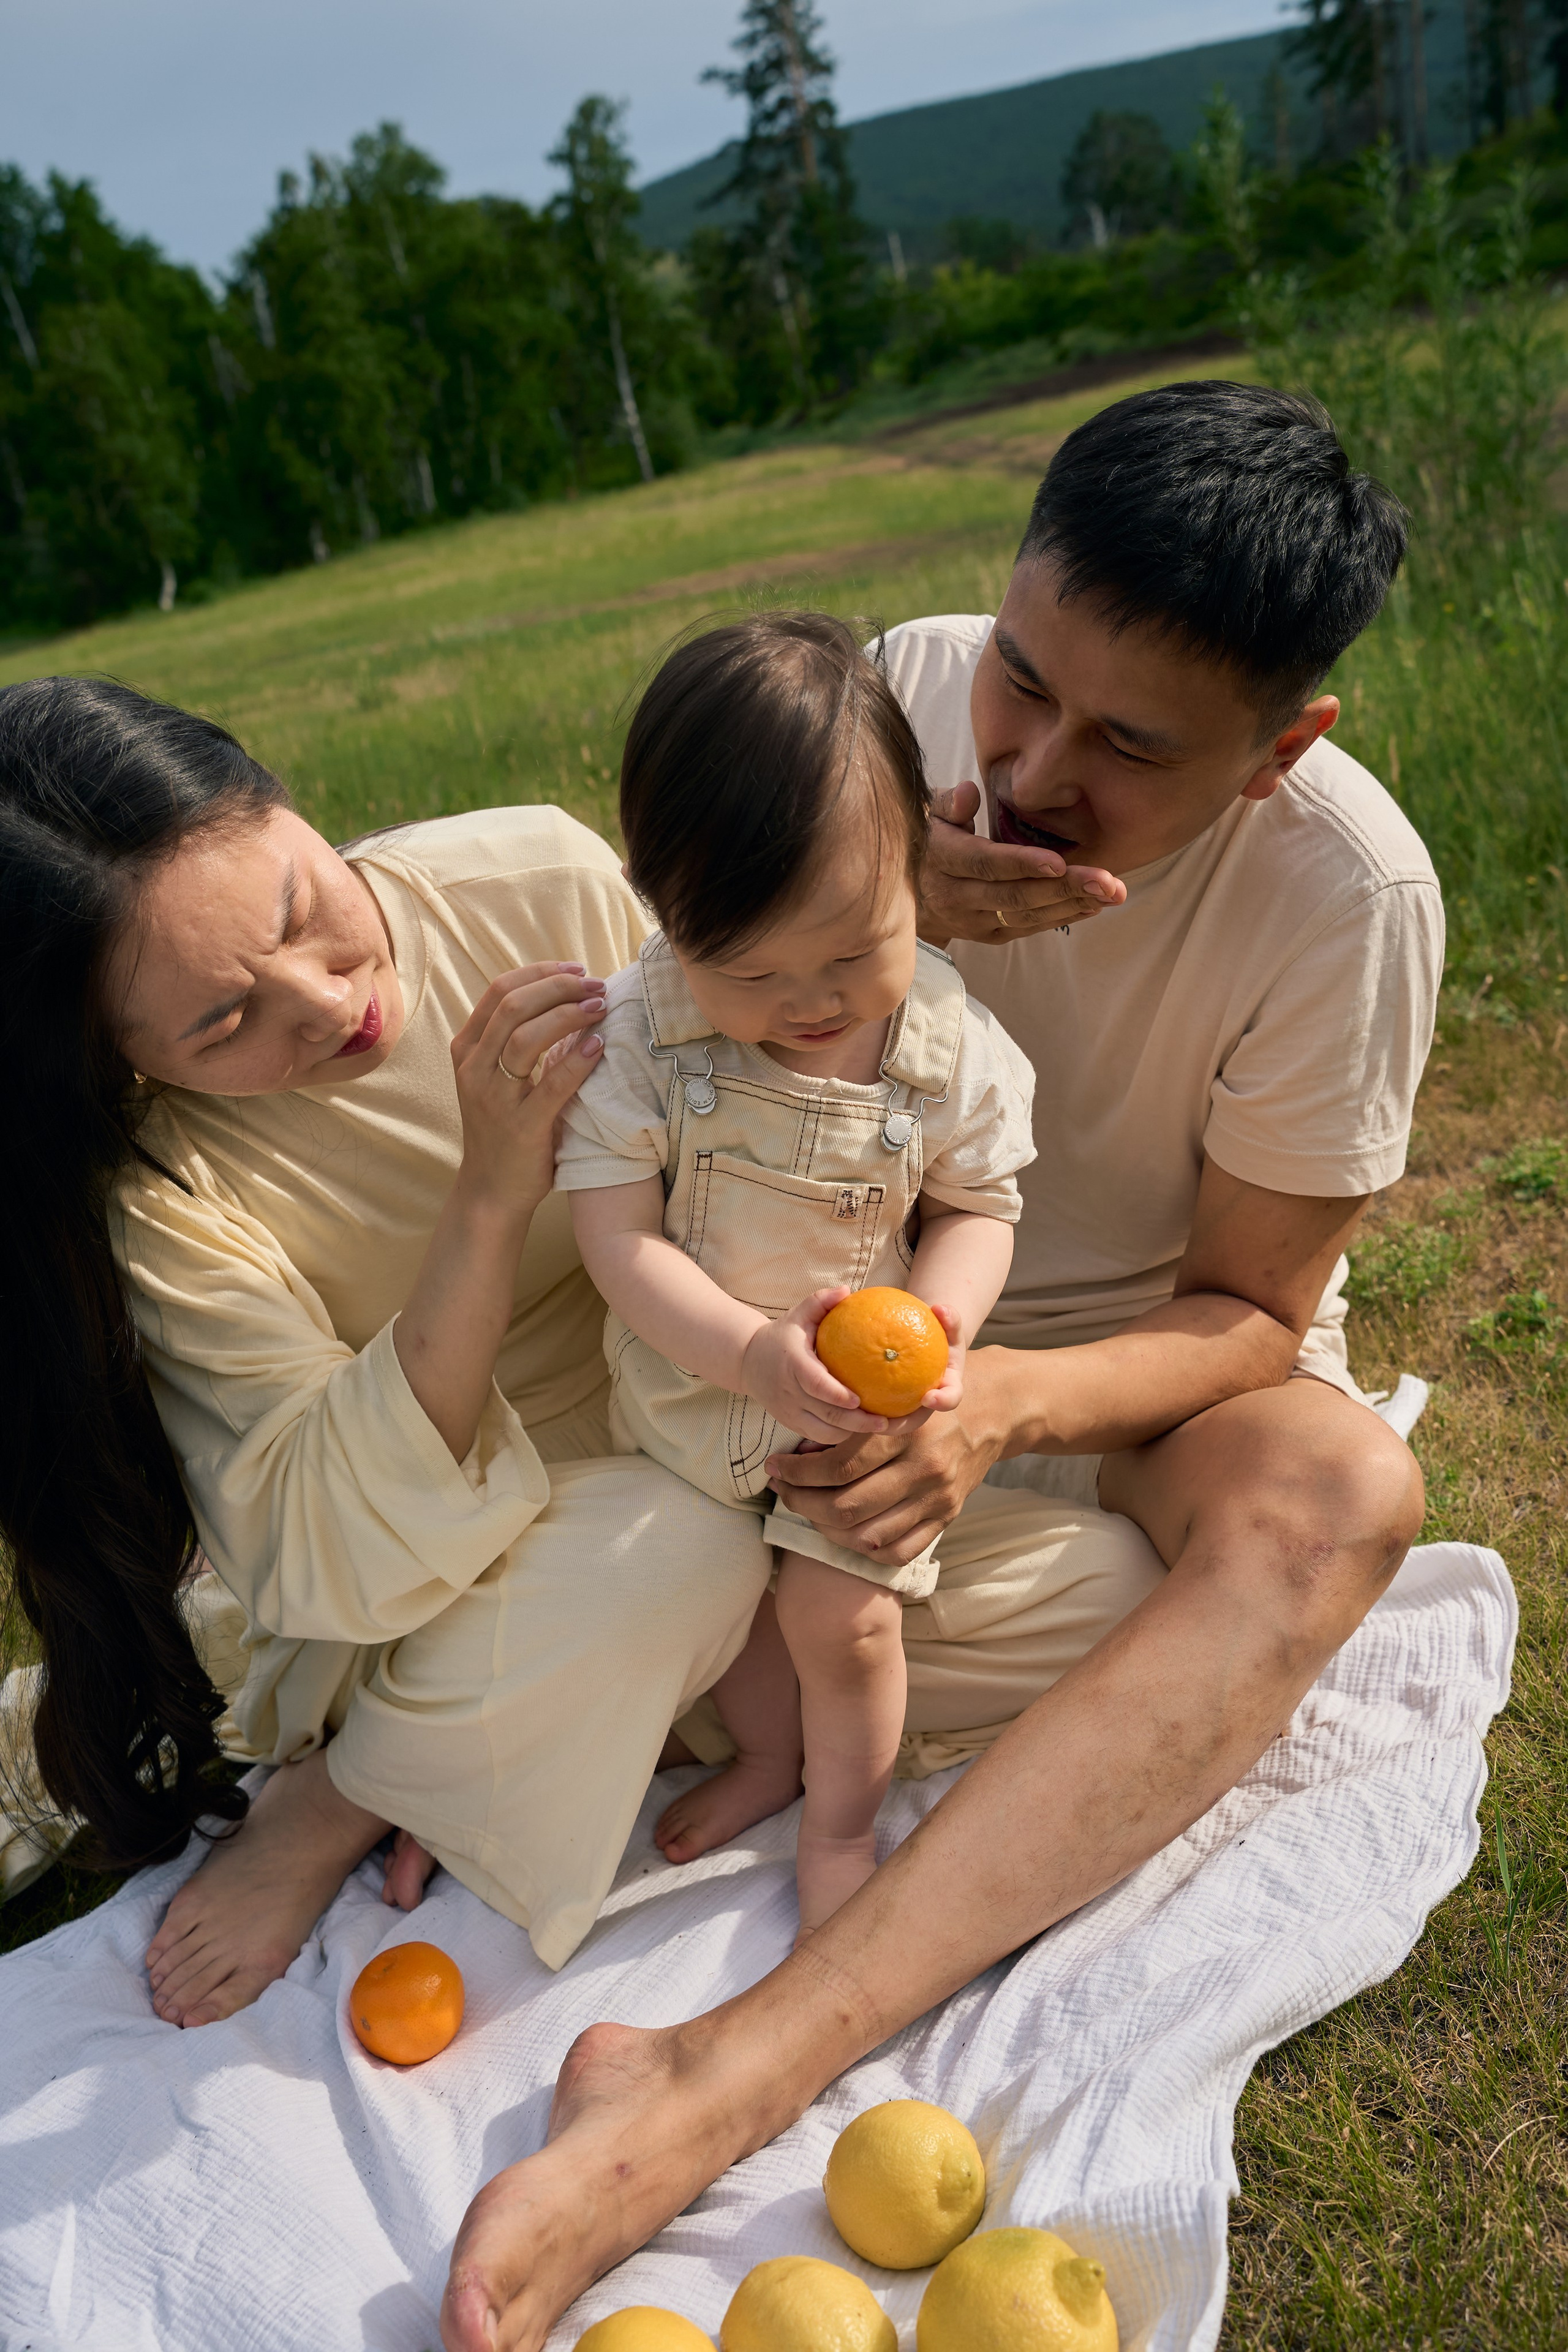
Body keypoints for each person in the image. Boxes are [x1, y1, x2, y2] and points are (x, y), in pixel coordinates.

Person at [435, 382, 1438, 2352]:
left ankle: (724, 2076)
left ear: (1276, 749)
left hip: (1133, 1368)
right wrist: (892, 897)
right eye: (1023, 679)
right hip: (808, 1335)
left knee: (1345, 1501)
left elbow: (1247, 1311)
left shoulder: (1350, 898)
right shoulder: (900, 697)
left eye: (1127, 743)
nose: (1032, 758)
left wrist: (995, 1407)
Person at [0, 674, 1160, 2018]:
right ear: (117, 1056)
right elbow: (329, 1546)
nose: (319, 1003)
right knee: (676, 1556)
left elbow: (775, 1055)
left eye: (303, 916)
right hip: (486, 1571)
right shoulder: (164, 1190)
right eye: (220, 1024)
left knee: (1109, 1591)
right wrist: (491, 1194)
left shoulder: (525, 882)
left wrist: (847, 912)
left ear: (279, 799)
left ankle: (558, 1736)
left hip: (722, 1419)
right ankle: (341, 1794)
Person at [558, 614, 1036, 1931]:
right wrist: (751, 1353)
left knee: (843, 1621)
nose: (811, 1001)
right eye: (752, 971)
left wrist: (944, 1316)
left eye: (851, 952)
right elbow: (619, 1240)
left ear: (918, 869)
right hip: (694, 1394)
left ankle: (838, 1827)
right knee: (726, 1610)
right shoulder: (641, 1039)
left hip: (859, 1423)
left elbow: (978, 1204)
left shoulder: (945, 1042)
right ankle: (766, 1759)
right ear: (660, 914)